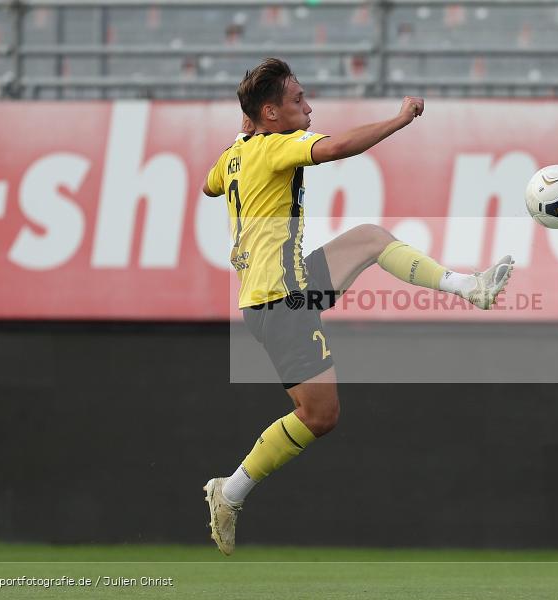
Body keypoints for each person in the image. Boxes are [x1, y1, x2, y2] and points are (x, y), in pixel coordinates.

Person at [200, 58, 514, 555]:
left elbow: (209, 185)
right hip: (278, 300)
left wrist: (246, 130)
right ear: (271, 113)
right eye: (298, 99)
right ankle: (231, 491)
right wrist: (400, 119)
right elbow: (337, 147)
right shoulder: (277, 146)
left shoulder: (236, 153)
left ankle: (468, 286)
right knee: (320, 416)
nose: (309, 108)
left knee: (369, 238)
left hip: (287, 285)